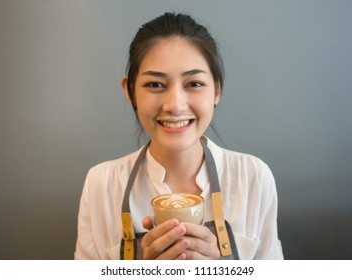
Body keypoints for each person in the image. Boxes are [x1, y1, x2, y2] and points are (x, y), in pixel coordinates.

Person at [74, 12, 283, 260]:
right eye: (155, 85)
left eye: (193, 83)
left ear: (217, 90)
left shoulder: (253, 179)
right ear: (130, 92)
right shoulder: (101, 184)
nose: (174, 105)